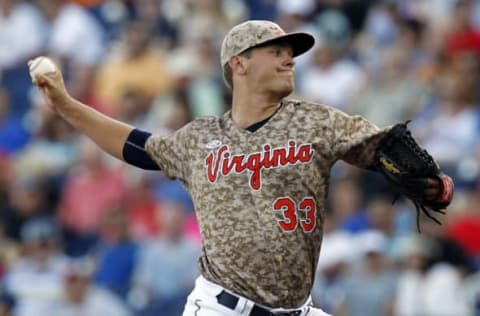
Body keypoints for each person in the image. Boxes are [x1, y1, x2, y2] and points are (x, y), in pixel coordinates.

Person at [32, 20, 453, 316]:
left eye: (291, 53)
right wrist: (67, 106)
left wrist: (434, 184)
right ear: (239, 63)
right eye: (277, 51)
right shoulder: (199, 138)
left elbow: (384, 147)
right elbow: (138, 147)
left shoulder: (317, 122)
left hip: (295, 308)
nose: (289, 59)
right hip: (221, 306)